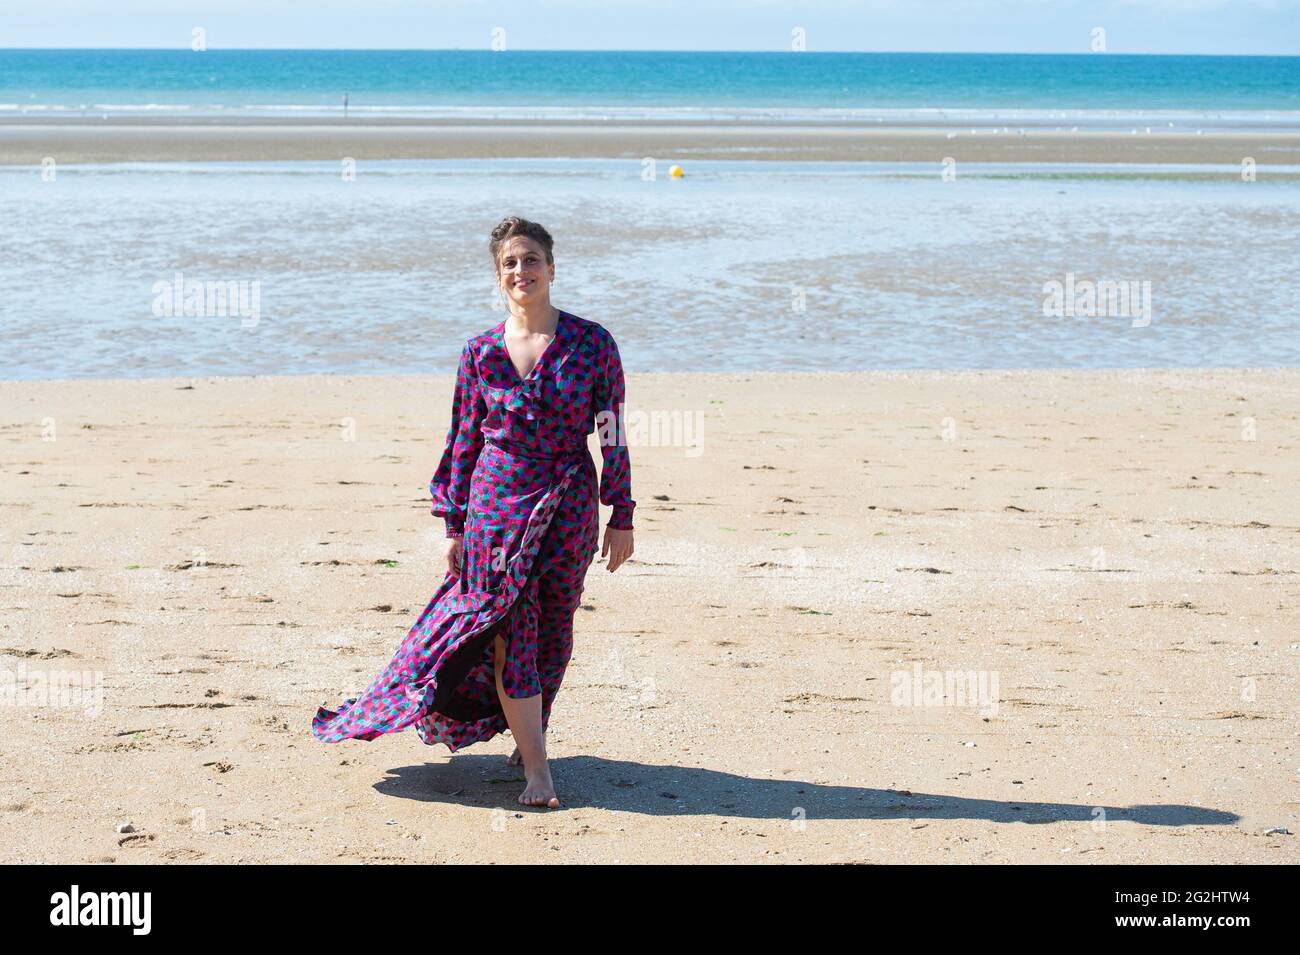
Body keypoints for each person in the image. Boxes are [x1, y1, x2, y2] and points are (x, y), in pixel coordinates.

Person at [312, 216, 635, 809]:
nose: (521, 271)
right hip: (495, 507)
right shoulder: (479, 353)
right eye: (510, 263)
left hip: (567, 504)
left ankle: (526, 735)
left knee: (554, 627)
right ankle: (539, 772)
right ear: (498, 276)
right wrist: (452, 523)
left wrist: (622, 512)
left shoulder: (593, 344)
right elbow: (462, 442)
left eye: (531, 259)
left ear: (552, 268)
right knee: (510, 626)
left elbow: (611, 431)